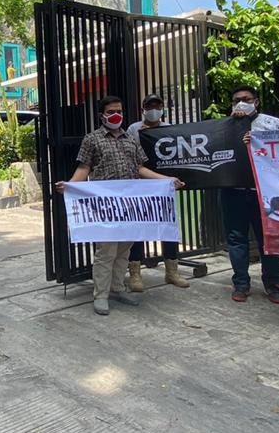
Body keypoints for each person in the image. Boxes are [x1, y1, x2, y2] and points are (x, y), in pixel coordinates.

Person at [56, 95, 185, 315]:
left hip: (128, 206)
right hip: (105, 206)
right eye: (111, 112)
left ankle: (117, 287)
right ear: (102, 115)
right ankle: (101, 295)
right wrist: (70, 186)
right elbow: (84, 168)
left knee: (124, 250)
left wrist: (167, 180)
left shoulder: (130, 139)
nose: (116, 115)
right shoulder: (92, 139)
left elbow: (140, 168)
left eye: (119, 111)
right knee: (106, 252)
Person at [220, 85, 279, 303]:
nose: (241, 103)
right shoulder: (223, 126)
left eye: (246, 99)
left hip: (265, 192)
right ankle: (241, 283)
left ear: (256, 102)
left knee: (268, 239)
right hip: (234, 191)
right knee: (236, 238)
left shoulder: (272, 123)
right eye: (236, 100)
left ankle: (273, 284)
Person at [125, 93, 191, 291]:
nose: (153, 110)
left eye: (157, 106)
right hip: (140, 184)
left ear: (162, 109)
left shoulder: (169, 128)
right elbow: (129, 154)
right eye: (149, 107)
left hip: (163, 185)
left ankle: (172, 271)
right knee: (138, 228)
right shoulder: (134, 129)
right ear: (143, 109)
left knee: (167, 226)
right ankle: (135, 273)